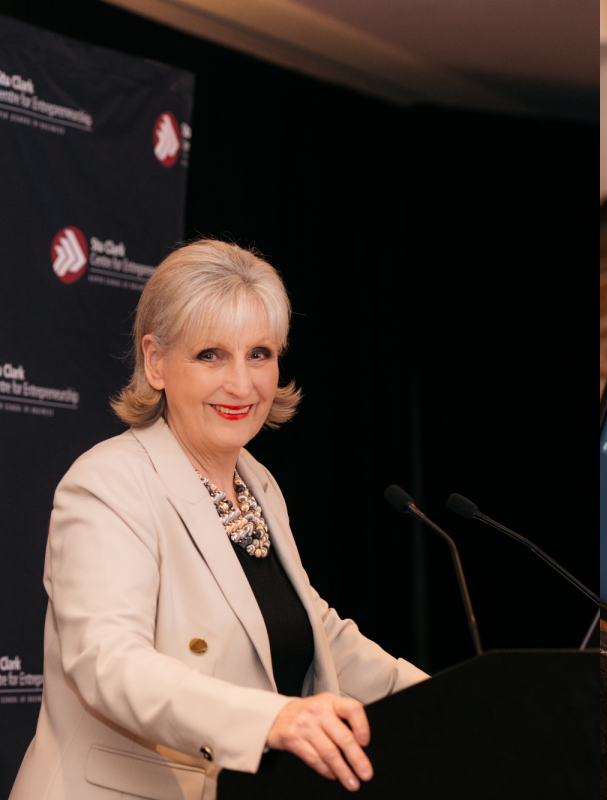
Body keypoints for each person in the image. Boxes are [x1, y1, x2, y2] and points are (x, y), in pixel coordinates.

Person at [11, 241, 427, 799]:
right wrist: (269, 720)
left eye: (259, 353)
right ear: (156, 362)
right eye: (211, 355)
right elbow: (108, 661)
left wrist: (451, 696)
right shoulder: (108, 482)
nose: (242, 383)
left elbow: (317, 634)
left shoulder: (257, 482)